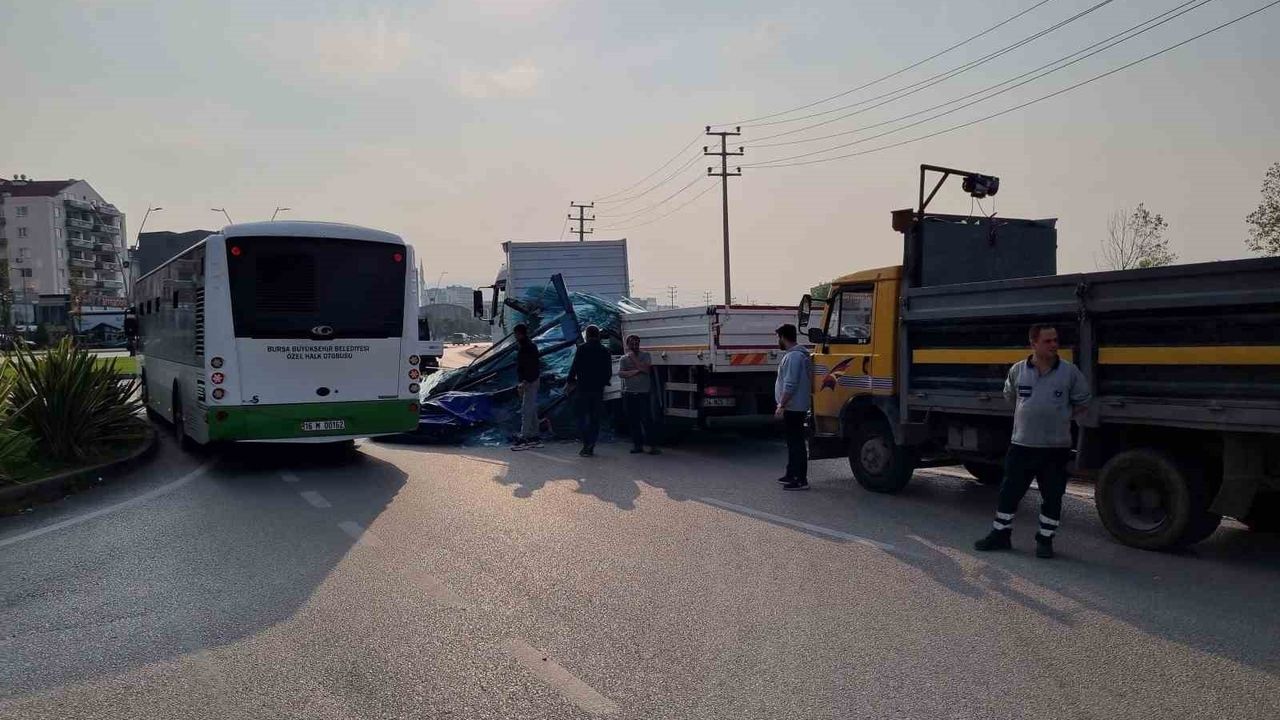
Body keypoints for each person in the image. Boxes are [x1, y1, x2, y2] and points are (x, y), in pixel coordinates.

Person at [975, 324, 1091, 559]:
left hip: (1055, 449)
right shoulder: (1018, 370)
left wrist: (1062, 418)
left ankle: (1045, 540)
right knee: (1009, 493)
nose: (1054, 345)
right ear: (1033, 343)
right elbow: (1011, 396)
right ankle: (1000, 534)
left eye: (1056, 340)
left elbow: (1083, 401)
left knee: (1052, 496)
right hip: (1022, 446)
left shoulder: (1069, 372)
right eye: (1048, 341)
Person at [773, 324, 812, 491]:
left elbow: (790, 384)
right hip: (797, 405)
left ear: (783, 337)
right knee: (792, 442)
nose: (778, 341)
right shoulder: (798, 355)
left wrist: (781, 405)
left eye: (779, 338)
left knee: (796, 443)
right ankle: (791, 473)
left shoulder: (794, 357)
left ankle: (800, 479)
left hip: (793, 406)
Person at [566, 325, 613, 457]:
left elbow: (575, 366)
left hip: (583, 388)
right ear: (598, 335)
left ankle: (586, 443)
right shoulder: (605, 350)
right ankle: (591, 443)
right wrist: (604, 382)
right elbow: (608, 371)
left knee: (581, 416)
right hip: (598, 389)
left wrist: (569, 381)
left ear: (587, 335)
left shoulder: (582, 348)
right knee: (594, 418)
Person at [618, 334, 660, 455]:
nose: (635, 346)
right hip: (629, 392)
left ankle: (652, 446)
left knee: (647, 419)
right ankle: (638, 445)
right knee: (633, 420)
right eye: (632, 343)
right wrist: (636, 370)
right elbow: (621, 373)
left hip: (643, 392)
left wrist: (634, 360)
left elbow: (646, 370)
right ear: (628, 345)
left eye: (637, 343)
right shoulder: (623, 359)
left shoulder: (645, 355)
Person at [512, 323, 543, 450]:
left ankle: (524, 436)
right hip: (531, 380)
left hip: (530, 381)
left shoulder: (527, 347)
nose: (515, 336)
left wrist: (524, 382)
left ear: (520, 334)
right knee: (531, 409)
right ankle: (535, 435)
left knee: (526, 410)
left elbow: (529, 366)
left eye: (516, 334)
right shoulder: (528, 346)